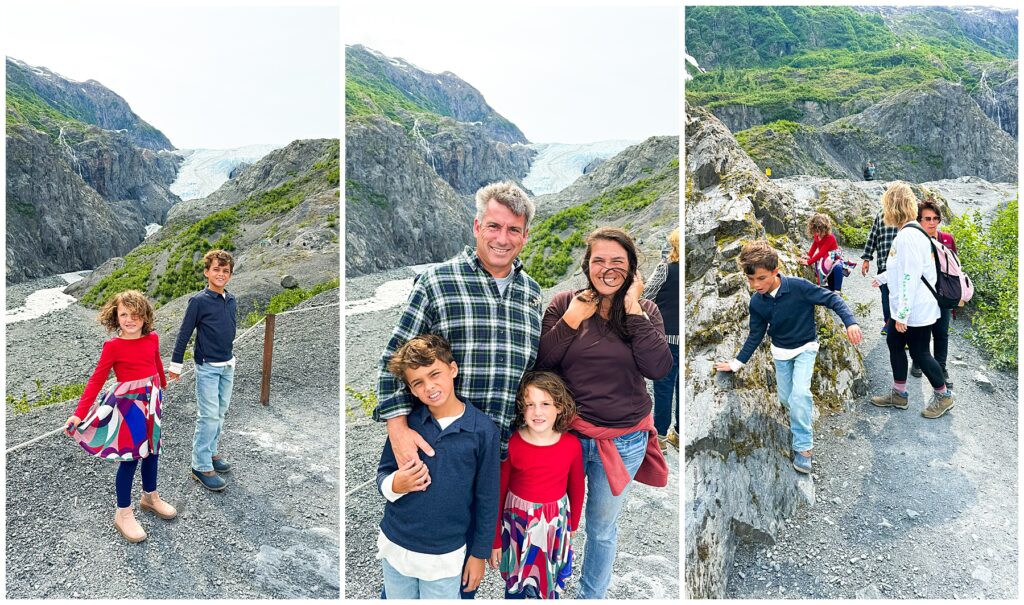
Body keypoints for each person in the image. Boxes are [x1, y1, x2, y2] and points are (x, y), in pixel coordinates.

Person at [374, 181, 542, 597]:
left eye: (514, 230)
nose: (503, 239)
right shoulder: (436, 282)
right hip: (435, 450)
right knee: (412, 558)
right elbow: (393, 359)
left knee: (461, 572)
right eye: (494, 226)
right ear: (476, 226)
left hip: (494, 454)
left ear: (525, 235)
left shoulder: (533, 295)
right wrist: (397, 429)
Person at [536, 226, 672, 599]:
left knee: (600, 528)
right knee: (551, 519)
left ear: (631, 269)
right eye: (599, 260)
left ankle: (590, 596)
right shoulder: (564, 304)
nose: (607, 268)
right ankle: (544, 589)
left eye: (618, 261)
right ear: (587, 265)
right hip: (565, 438)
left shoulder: (645, 310)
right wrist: (573, 319)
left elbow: (658, 367)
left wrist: (631, 309)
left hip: (623, 440)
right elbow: (542, 363)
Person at [715, 241, 862, 474]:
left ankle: (804, 449)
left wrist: (850, 322)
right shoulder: (757, 302)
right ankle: (801, 410)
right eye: (751, 280)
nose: (755, 285)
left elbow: (832, 299)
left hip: (806, 348)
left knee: (800, 394)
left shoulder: (799, 287)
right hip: (780, 353)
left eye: (761, 278)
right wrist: (736, 363)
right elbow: (755, 335)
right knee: (786, 399)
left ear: (775, 271)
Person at [376, 335, 500, 600]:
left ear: (453, 369)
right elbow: (383, 472)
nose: (429, 387)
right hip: (396, 544)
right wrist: (396, 484)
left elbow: (488, 499)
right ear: (410, 389)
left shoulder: (483, 431)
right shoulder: (407, 426)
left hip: (445, 553)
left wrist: (478, 554)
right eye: (418, 382)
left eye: (435, 374)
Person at [66, 290, 175, 543]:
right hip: (128, 408)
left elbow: (156, 360)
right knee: (131, 456)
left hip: (151, 402)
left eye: (135, 313)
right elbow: (97, 380)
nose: (129, 319)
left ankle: (150, 497)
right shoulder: (113, 346)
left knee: (153, 451)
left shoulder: (153, 338)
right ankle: (123, 513)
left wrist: (161, 382)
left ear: (144, 315)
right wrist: (78, 414)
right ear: (115, 316)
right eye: (123, 314)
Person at [489, 371, 584, 600]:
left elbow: (577, 487)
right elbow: (499, 492)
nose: (537, 412)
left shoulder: (571, 445)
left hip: (553, 526)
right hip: (517, 526)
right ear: (522, 407)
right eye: (530, 404)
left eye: (545, 403)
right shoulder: (512, 443)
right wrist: (495, 540)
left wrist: (571, 527)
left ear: (559, 406)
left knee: (548, 584)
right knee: (515, 584)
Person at [869, 183, 954, 418]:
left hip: (915, 309)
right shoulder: (913, 232)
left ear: (892, 207)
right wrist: (882, 277)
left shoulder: (908, 236)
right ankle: (899, 393)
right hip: (915, 306)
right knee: (895, 343)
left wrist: (902, 315)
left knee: (919, 353)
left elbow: (910, 276)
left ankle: (944, 395)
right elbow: (906, 268)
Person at [169, 249, 237, 492]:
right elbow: (184, 334)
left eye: (225, 271)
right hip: (207, 367)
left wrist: (229, 357)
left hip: (227, 364)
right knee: (208, 415)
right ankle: (200, 464)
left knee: (220, 412)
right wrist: (176, 365)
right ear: (207, 272)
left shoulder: (231, 299)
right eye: (216, 269)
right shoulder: (198, 301)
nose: (220, 274)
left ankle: (211, 452)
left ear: (230, 275)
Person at [909, 199, 957, 389]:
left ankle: (941, 368)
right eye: (927, 218)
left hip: (943, 295)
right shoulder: (916, 240)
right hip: (922, 296)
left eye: (936, 218)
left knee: (941, 333)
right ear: (919, 220)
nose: (932, 222)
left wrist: (957, 295)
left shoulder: (947, 239)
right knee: (922, 332)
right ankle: (918, 360)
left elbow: (955, 269)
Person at [643, 228, 680, 451]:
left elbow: (646, 295)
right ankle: (679, 434)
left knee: (664, 387)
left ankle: (661, 437)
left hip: (665, 337)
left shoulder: (665, 269)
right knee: (680, 387)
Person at [861, 202, 901, 335]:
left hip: (902, 265)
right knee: (886, 297)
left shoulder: (907, 214)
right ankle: (889, 322)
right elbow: (873, 236)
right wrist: (867, 258)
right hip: (884, 264)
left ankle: (899, 326)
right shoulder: (881, 214)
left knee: (901, 295)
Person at [805, 213, 846, 292]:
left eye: (820, 231)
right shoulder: (817, 235)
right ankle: (826, 288)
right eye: (816, 231)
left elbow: (821, 252)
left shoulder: (830, 237)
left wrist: (808, 262)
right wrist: (809, 255)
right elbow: (815, 245)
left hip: (833, 257)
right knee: (829, 282)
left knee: (837, 269)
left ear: (826, 229)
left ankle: (838, 291)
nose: (818, 234)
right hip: (825, 258)